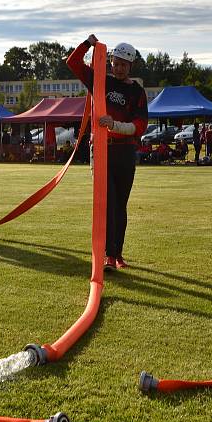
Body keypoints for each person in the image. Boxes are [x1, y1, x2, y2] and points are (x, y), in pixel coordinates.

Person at [67, 34, 148, 270]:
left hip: (125, 152)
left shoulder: (137, 92)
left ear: (130, 66)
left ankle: (118, 254)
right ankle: (108, 255)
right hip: (102, 151)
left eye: (123, 64)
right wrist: (87, 44)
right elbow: (72, 62)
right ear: (110, 61)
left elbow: (140, 126)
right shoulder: (100, 81)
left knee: (120, 204)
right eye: (115, 62)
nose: (119, 68)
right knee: (107, 202)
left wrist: (115, 125)